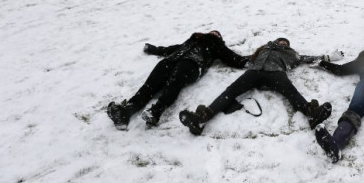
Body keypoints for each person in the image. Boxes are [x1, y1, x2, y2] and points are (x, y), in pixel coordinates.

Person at [179, 37, 339, 135]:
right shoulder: (263, 50)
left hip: (276, 73)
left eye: (285, 42)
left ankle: (311, 113)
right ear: (275, 41)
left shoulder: (291, 54)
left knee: (291, 91)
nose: (282, 42)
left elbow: (306, 58)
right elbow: (241, 59)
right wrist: (216, 55)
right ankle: (202, 118)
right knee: (230, 91)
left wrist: (326, 57)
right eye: (280, 40)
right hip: (254, 72)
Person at [107, 30, 249, 130]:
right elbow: (173, 48)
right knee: (150, 85)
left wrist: (247, 62)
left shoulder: (216, 44)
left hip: (193, 64)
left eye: (216, 33)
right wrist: (155, 49)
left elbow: (230, 56)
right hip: (173, 59)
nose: (213, 33)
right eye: (212, 32)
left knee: (174, 83)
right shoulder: (193, 39)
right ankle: (126, 112)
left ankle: (155, 112)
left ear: (218, 37)